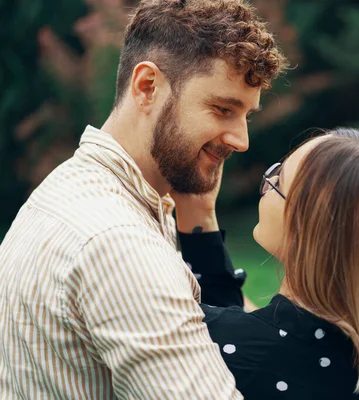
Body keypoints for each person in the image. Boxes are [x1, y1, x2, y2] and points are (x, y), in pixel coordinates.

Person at [0, 0, 286, 398]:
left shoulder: (69, 190)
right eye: (222, 109)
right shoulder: (119, 244)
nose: (242, 140)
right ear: (147, 86)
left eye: (246, 116)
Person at [175, 128, 359, 399]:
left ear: (306, 232)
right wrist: (198, 213)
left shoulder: (210, 338)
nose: (267, 184)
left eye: (277, 180)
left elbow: (242, 336)